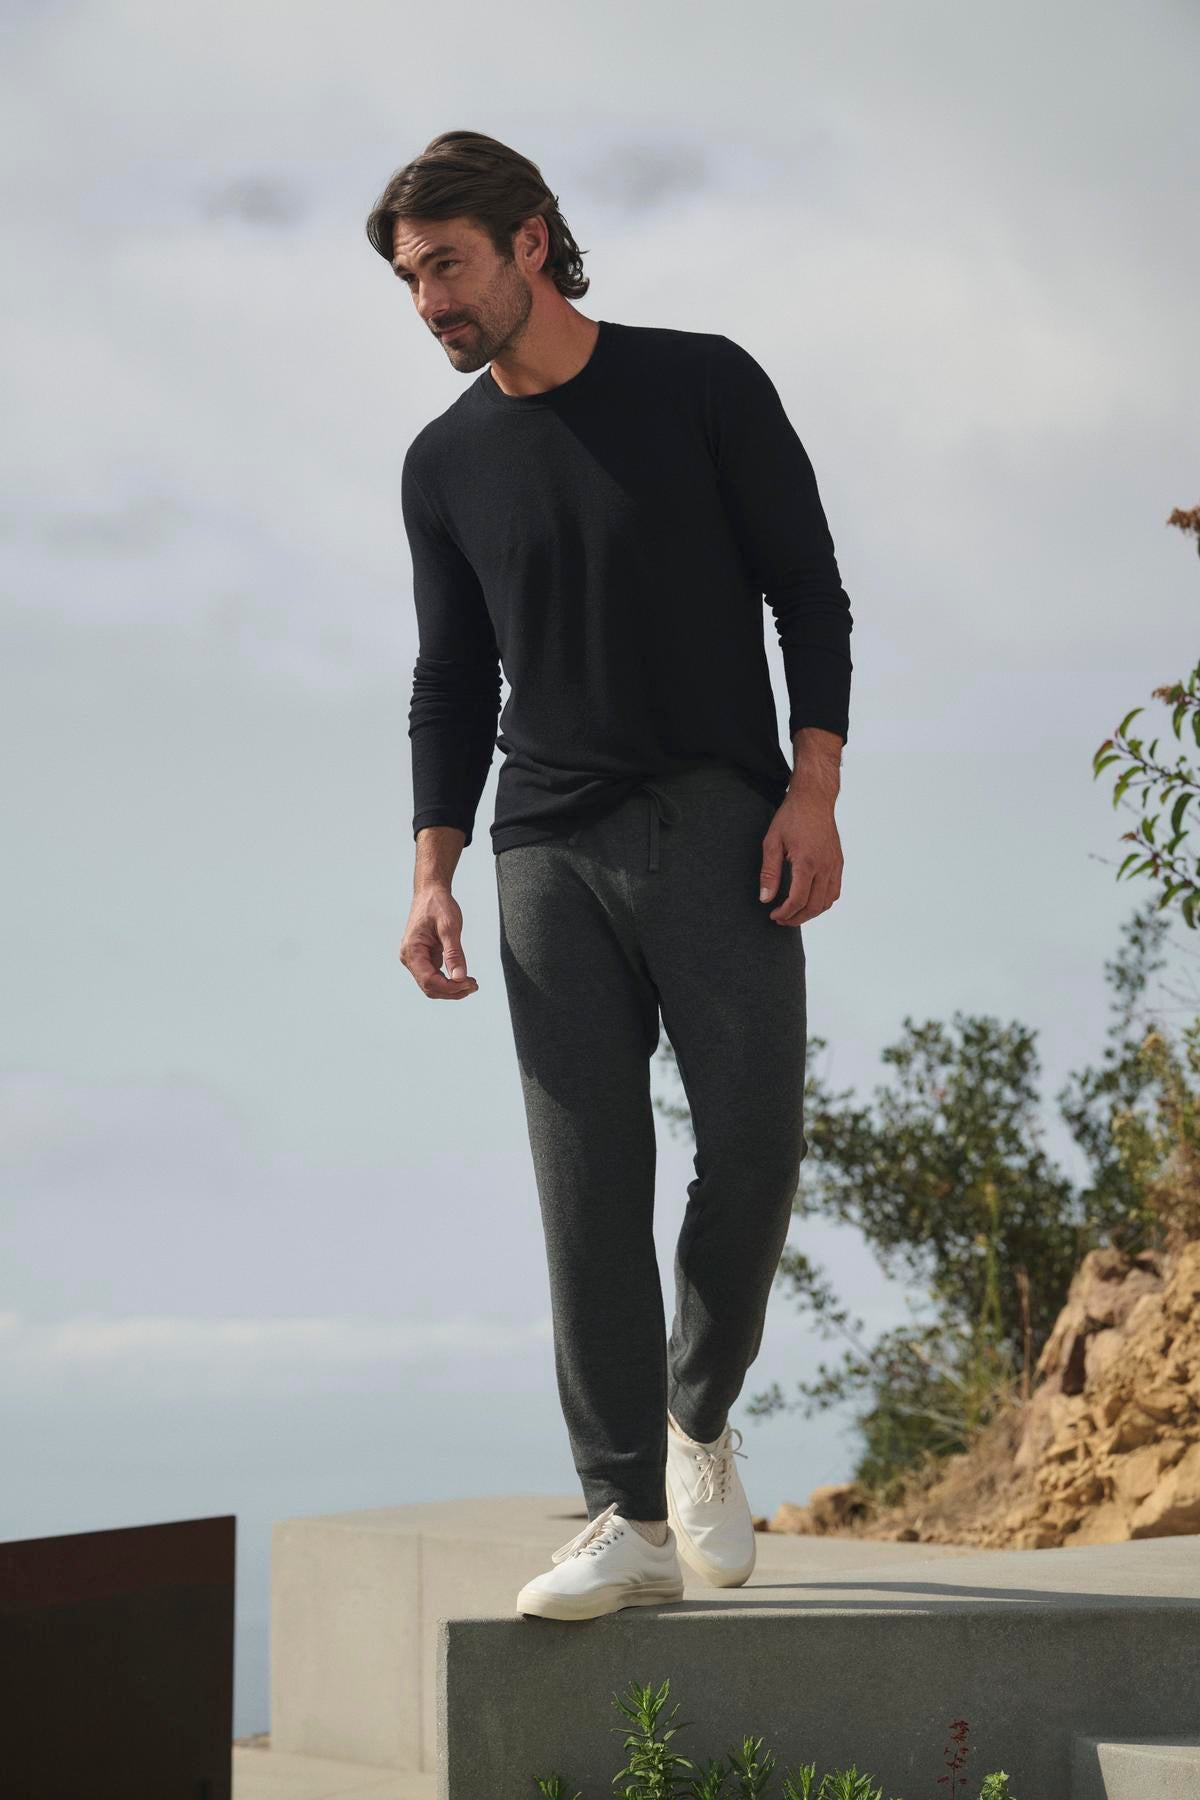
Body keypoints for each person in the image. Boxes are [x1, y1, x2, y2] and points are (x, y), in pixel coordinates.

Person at [367, 130, 852, 1624]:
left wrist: (815, 789)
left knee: (753, 1155)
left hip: (720, 820)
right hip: (544, 852)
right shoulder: (444, 463)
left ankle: (698, 1422)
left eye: (446, 263)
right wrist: (431, 870)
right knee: (588, 1193)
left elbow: (807, 593)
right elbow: (450, 679)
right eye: (406, 277)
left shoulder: (703, 381)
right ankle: (624, 1513)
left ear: (531, 241)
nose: (427, 299)